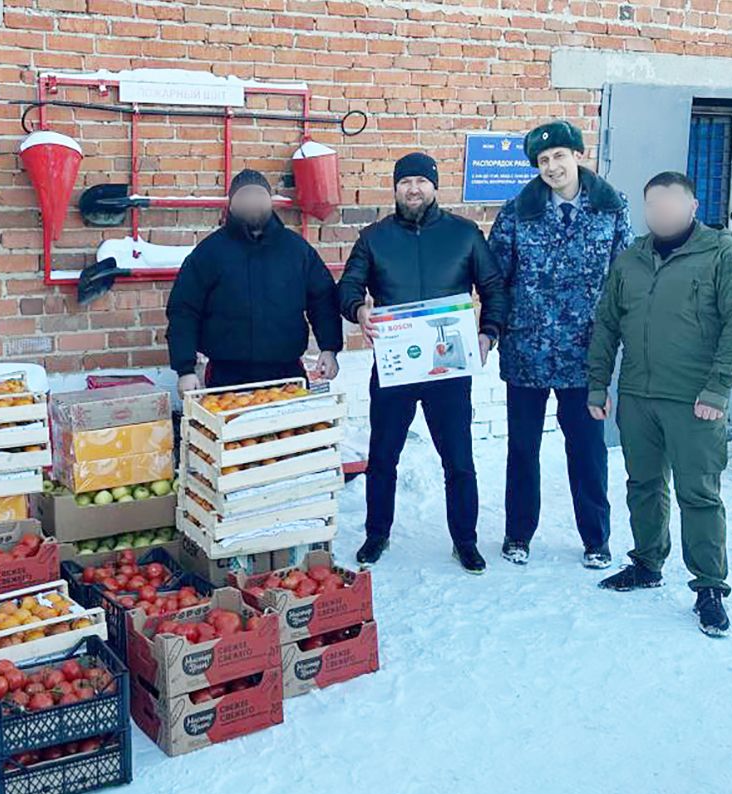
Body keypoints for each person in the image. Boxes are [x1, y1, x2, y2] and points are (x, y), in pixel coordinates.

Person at [587, 171, 732, 637]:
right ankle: (647, 562)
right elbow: (606, 325)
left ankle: (709, 587)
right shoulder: (630, 260)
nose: (661, 214)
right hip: (639, 397)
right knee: (642, 484)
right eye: (653, 206)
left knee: (699, 494)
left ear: (691, 206)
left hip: (694, 401)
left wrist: (718, 388)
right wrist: (598, 384)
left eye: (670, 205)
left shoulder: (723, 255)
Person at [338, 152, 508, 572]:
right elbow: (348, 287)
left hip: (447, 368)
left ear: (435, 186)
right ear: (395, 188)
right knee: (383, 456)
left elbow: (494, 287)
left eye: (421, 181)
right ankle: (377, 534)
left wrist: (489, 332)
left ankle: (464, 540)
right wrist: (358, 309)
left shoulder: (465, 235)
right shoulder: (374, 238)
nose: (413, 189)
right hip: (395, 366)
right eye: (405, 182)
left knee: (459, 459)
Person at [487, 120, 633, 569]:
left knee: (587, 450)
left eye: (559, 156)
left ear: (577, 156)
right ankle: (518, 534)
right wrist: (493, 330)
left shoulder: (612, 208)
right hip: (526, 353)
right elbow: (496, 279)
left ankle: (596, 538)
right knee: (523, 449)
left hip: (586, 357)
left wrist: (618, 341)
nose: (552, 167)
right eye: (543, 161)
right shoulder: (515, 212)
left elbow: (622, 278)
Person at [166, 169, 342, 392]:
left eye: (258, 195)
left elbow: (323, 300)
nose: (252, 201)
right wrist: (185, 369)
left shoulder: (296, 250)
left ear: (270, 201)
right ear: (231, 205)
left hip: (287, 375)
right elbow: (183, 310)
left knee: (292, 428)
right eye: (245, 195)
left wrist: (329, 348)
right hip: (225, 377)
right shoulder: (209, 252)